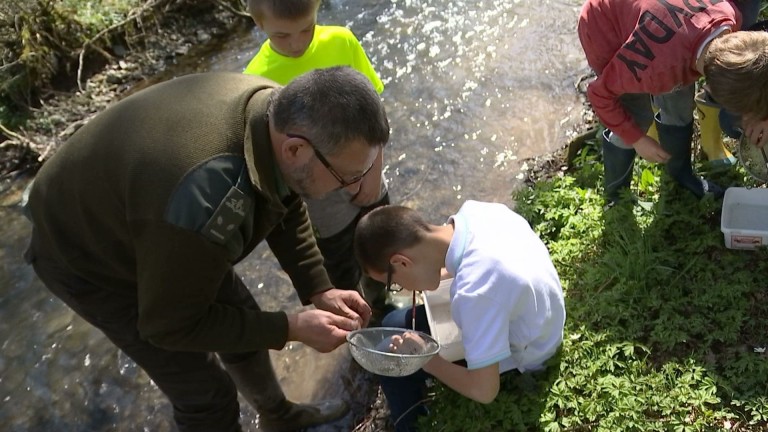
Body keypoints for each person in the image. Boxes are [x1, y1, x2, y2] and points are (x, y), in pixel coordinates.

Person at [22, 66, 389, 432]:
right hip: (86, 255)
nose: (349, 189)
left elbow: (285, 198)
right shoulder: (205, 198)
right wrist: (290, 328)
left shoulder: (283, 114)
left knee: (241, 316)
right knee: (205, 394)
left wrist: (318, 288)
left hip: (151, 219)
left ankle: (278, 416)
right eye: (347, 177)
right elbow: (168, 326)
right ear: (295, 149)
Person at [353, 201, 566, 432]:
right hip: (542, 316)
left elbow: (484, 391)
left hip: (532, 353)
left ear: (401, 262)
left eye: (394, 284)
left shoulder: (475, 293)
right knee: (394, 322)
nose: (401, 289)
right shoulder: (474, 212)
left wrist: (424, 358)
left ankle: (413, 425)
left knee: (389, 352)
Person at [243, 0, 392, 316]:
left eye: (307, 29)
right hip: (319, 197)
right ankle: (358, 321)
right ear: (259, 24)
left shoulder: (341, 41)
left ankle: (384, 304)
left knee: (384, 242)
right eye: (282, 35)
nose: (297, 43)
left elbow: (373, 112)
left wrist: (373, 170)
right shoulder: (256, 77)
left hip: (366, 167)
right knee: (339, 262)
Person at [577, 0, 764, 205]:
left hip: (673, 35)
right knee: (635, 115)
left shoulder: (730, 19)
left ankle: (680, 174)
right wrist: (638, 140)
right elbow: (600, 94)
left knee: (680, 105)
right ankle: (616, 197)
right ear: (710, 89)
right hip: (605, 27)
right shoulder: (653, 68)